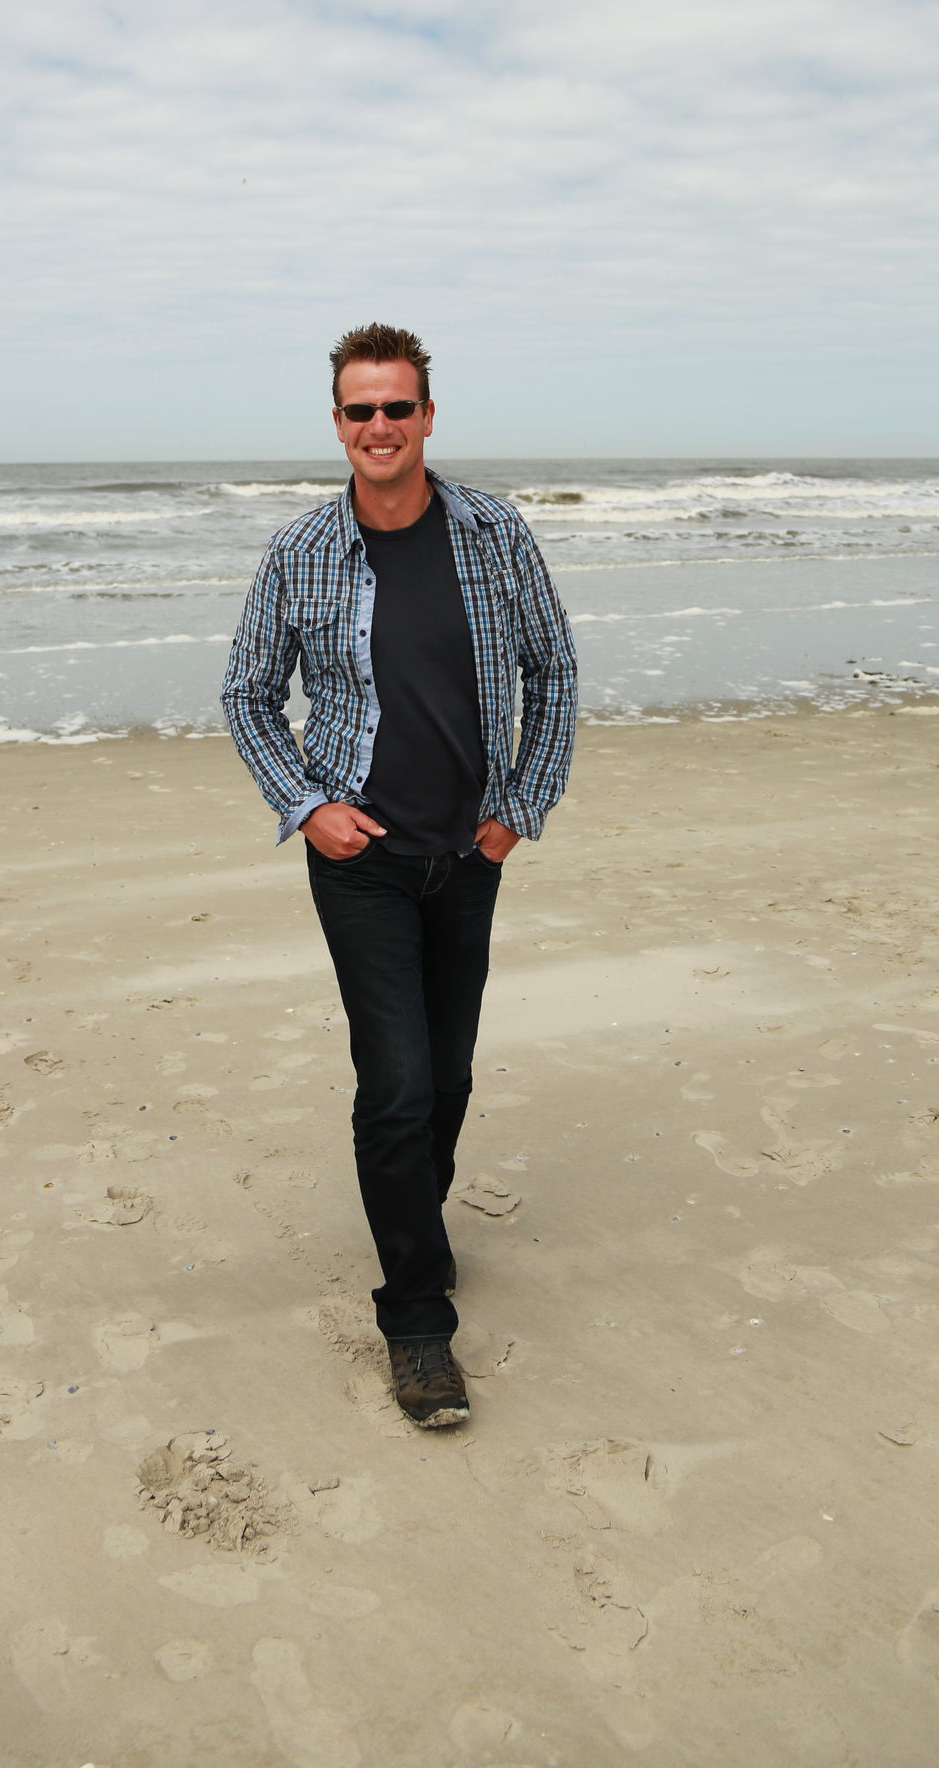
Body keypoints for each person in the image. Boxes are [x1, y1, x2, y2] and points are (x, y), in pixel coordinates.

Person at [223, 324, 577, 1429]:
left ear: (427, 416)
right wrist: (308, 806)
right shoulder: (299, 552)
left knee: (451, 1076)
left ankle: (413, 1229)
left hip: (468, 854)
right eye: (359, 410)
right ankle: (417, 1321)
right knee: (397, 1085)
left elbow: (554, 669)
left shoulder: (493, 533)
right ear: (337, 424)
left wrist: (518, 811)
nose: (379, 426)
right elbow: (246, 693)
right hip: (361, 863)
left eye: (396, 407)